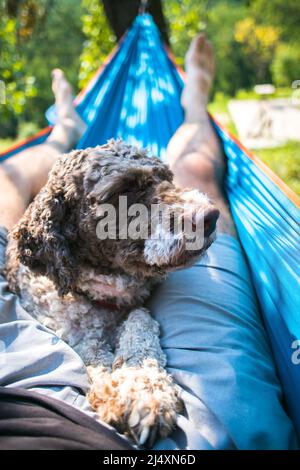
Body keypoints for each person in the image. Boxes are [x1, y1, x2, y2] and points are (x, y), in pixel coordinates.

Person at [0, 34, 297, 450]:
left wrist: (137, 333)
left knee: (7, 180)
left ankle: (68, 129)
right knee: (196, 170)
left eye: (161, 183)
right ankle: (86, 124)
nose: (201, 210)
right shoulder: (50, 253)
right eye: (126, 199)